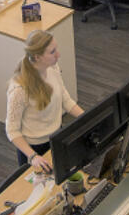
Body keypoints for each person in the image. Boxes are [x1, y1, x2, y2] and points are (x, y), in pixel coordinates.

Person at [5, 30, 85, 172]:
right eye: (52, 51)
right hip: (34, 149)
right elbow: (12, 130)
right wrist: (33, 157)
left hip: (56, 138)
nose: (58, 54)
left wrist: (87, 117)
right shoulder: (19, 89)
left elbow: (65, 99)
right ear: (37, 57)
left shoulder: (52, 67)